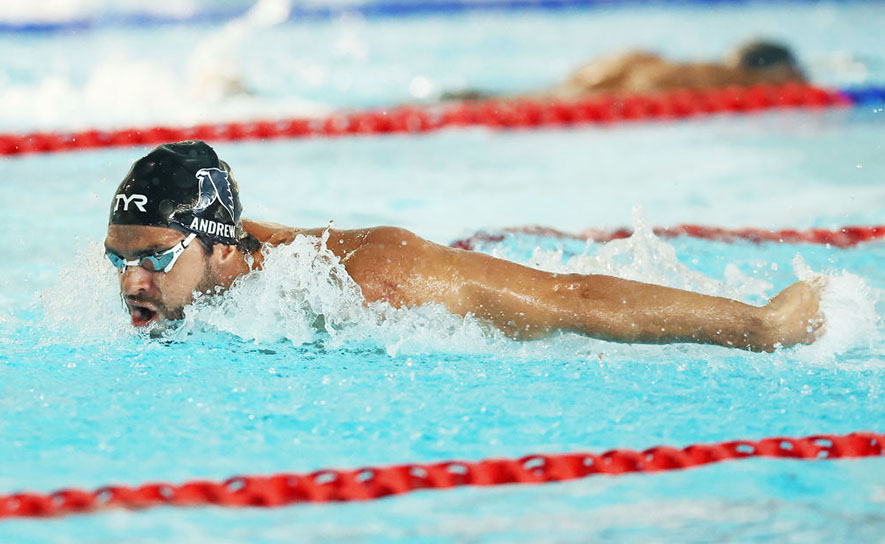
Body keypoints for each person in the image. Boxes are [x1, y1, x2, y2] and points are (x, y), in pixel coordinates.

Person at [105, 140, 824, 351]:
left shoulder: (368, 281)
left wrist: (759, 326)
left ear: (225, 252)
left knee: (553, 302)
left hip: (407, 268)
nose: (128, 279)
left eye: (153, 259)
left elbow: (568, 299)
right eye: (119, 258)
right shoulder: (177, 260)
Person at [439, 40, 806, 102]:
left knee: (545, 94)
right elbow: (646, 82)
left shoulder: (708, 69)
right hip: (635, 72)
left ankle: (471, 96)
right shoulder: (720, 78)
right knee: (553, 97)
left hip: (632, 63)